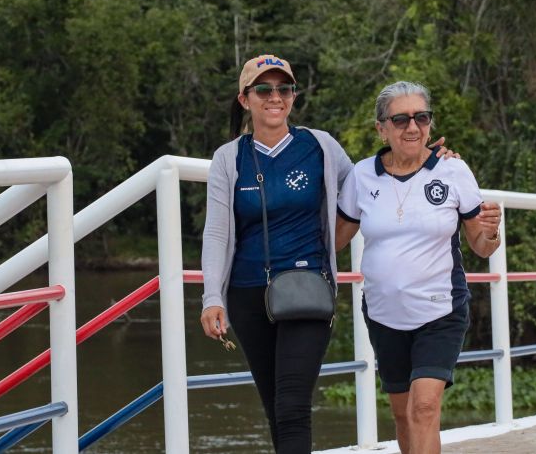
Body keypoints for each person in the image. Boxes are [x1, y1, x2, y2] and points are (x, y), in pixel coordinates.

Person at [199, 55, 484, 453]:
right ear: (245, 99)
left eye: (284, 89)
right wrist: (212, 296)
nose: (275, 97)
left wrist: (429, 160)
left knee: (293, 405)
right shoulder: (229, 158)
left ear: (294, 96)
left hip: (308, 288)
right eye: (264, 89)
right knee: (275, 406)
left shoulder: (320, 146)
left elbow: (374, 185)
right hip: (247, 293)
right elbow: (216, 231)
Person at [335, 81, 501, 454]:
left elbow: (481, 245)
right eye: (401, 119)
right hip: (383, 313)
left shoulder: (453, 171)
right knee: (402, 415)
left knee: (424, 407)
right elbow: (334, 240)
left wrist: (492, 232)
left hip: (440, 310)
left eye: (421, 118)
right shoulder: (362, 175)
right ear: (381, 128)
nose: (412, 127)